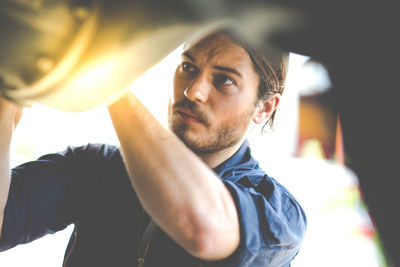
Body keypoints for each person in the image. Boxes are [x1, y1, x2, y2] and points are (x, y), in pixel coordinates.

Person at [0, 31, 306, 266]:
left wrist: (112, 87)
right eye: (188, 66)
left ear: (264, 108)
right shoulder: (95, 166)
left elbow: (201, 227)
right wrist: (7, 98)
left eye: (224, 80)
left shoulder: (278, 213)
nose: (192, 90)